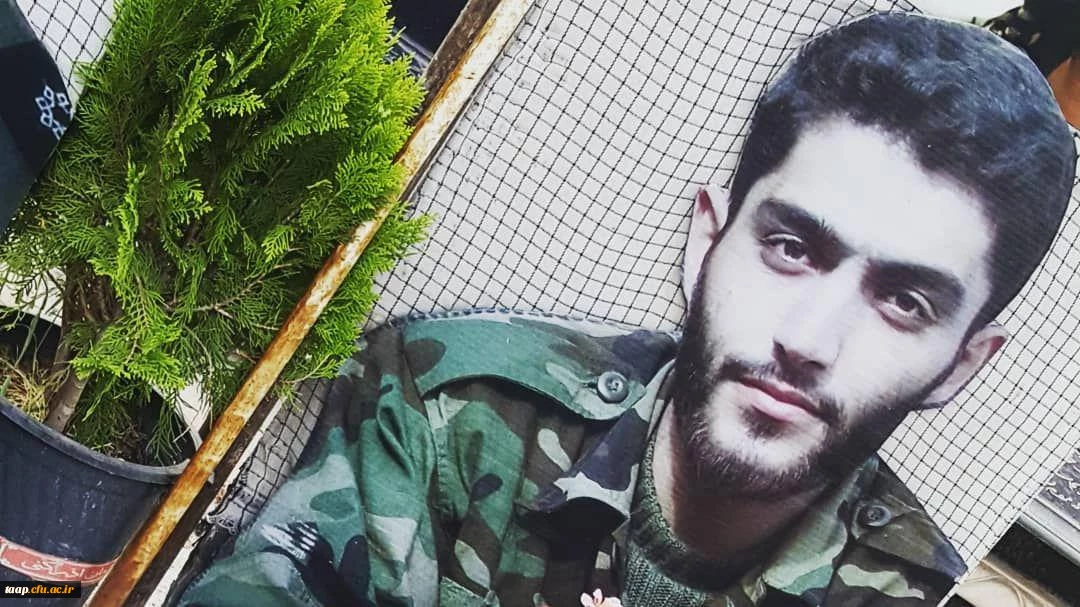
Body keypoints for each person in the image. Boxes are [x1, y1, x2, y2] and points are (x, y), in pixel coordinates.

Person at [179, 12, 1076, 607]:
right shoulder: (447, 404)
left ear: (962, 362)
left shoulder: (906, 591)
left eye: (905, 301)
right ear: (707, 240)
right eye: (791, 247)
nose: (809, 340)